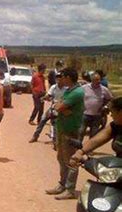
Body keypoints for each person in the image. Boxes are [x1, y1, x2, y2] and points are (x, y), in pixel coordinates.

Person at [46, 67, 84, 200]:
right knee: (61, 158)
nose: (60, 79)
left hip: (70, 130)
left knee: (71, 160)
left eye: (62, 76)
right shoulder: (69, 91)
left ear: (68, 77)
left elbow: (59, 106)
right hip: (62, 128)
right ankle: (62, 184)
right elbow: (58, 105)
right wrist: (61, 108)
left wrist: (61, 107)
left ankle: (70, 189)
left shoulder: (77, 92)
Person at [70, 97, 122, 168]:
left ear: (120, 112)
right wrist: (80, 152)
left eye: (113, 112)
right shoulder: (116, 125)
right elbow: (99, 139)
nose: (111, 115)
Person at [29, 73, 67, 144]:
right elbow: (49, 95)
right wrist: (44, 98)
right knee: (42, 120)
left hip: (61, 109)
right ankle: (35, 136)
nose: (58, 79)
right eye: (57, 78)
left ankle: (57, 140)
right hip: (53, 108)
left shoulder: (66, 89)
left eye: (60, 78)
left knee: (57, 125)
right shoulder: (53, 87)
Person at [80, 72, 113, 140]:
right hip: (84, 114)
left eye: (99, 79)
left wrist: (105, 106)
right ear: (92, 80)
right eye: (96, 80)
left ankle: (89, 149)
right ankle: (78, 148)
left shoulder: (104, 89)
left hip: (97, 115)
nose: (98, 81)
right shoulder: (84, 88)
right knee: (81, 132)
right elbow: (78, 97)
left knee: (93, 134)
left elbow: (110, 99)